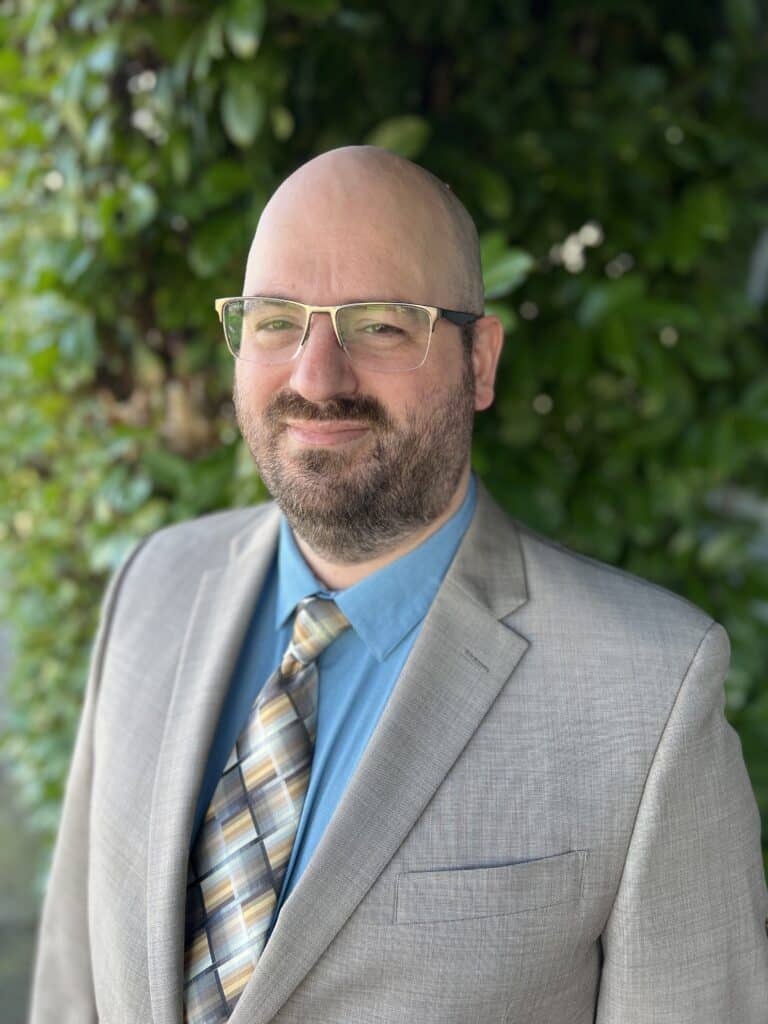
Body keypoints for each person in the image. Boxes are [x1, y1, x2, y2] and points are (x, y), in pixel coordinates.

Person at [28, 146, 768, 1024]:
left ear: (480, 362)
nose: (316, 376)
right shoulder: (152, 588)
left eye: (381, 323)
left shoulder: (649, 697)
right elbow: (72, 990)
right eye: (275, 320)